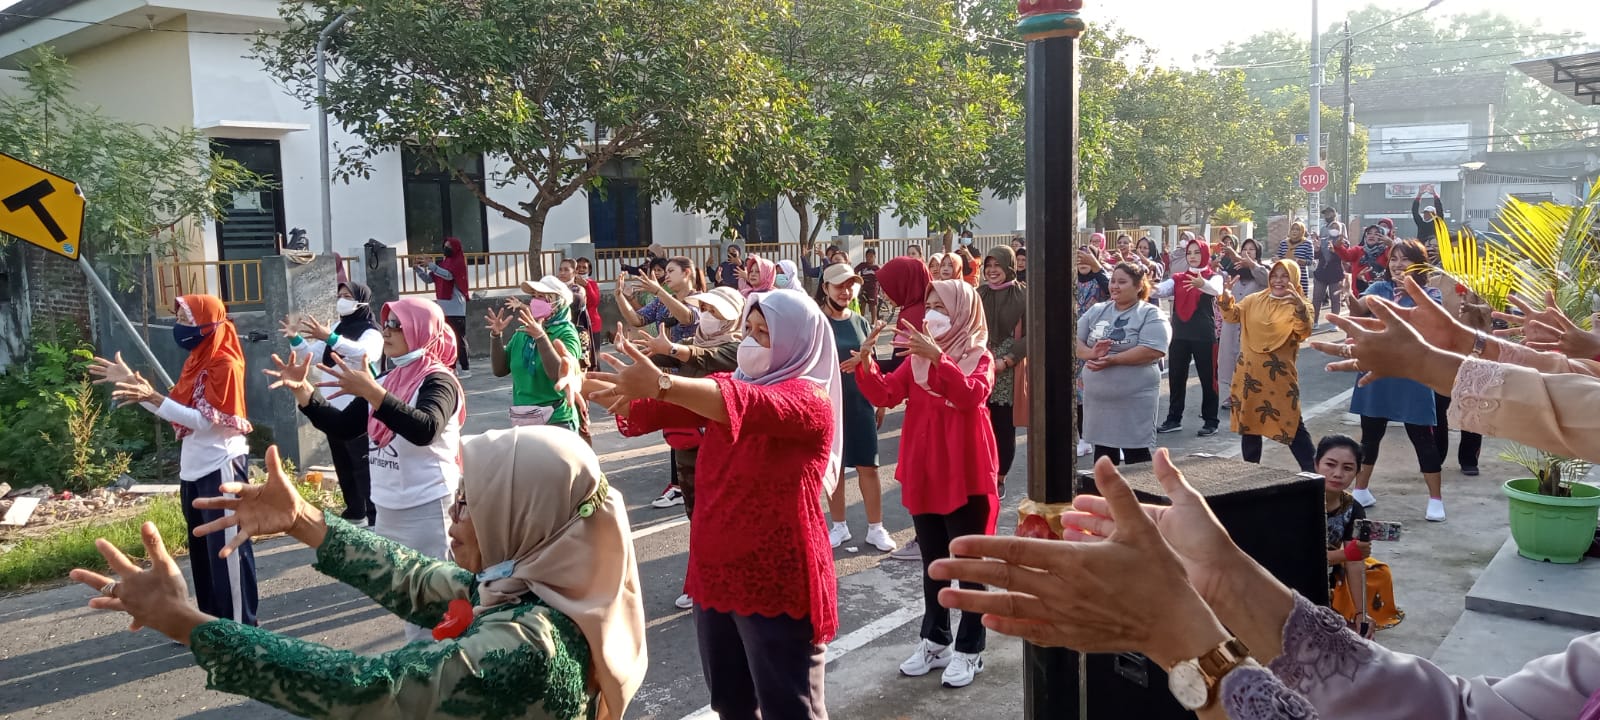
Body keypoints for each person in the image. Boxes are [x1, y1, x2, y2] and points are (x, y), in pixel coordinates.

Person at [70, 429, 647, 720]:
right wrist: (302, 520)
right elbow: (416, 579)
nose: (453, 514)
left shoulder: (530, 644)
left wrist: (187, 624)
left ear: (525, 514)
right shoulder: (533, 588)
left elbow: (369, 691)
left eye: (471, 503)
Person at [591, 290, 839, 720]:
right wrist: (586, 382)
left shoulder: (811, 402)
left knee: (790, 709)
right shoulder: (734, 383)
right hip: (715, 573)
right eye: (751, 330)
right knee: (731, 703)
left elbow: (748, 406)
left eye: (766, 334)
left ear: (798, 342)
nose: (751, 342)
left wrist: (664, 383)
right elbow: (647, 409)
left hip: (775, 578)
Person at [266, 296, 464, 642]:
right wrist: (304, 392)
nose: (387, 331)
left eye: (397, 324)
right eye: (386, 323)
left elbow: (426, 429)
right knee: (405, 597)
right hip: (389, 506)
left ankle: (444, 670)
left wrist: (376, 394)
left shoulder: (438, 381)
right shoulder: (387, 378)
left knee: (436, 597)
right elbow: (344, 426)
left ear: (422, 331)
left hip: (429, 505)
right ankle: (424, 665)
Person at [853, 279, 997, 689]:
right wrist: (866, 365)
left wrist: (940, 359)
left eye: (941, 307)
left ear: (964, 313)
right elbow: (886, 393)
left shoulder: (977, 356)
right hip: (925, 468)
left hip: (965, 470)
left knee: (968, 566)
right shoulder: (915, 360)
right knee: (933, 563)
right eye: (928, 305)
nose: (930, 314)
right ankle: (936, 641)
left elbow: (971, 396)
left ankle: (972, 649)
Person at [90, 295, 258, 626]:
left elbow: (204, 421)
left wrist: (151, 395)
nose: (179, 326)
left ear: (208, 323)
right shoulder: (197, 360)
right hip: (194, 469)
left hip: (222, 466)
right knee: (203, 555)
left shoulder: (224, 362)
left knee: (228, 552)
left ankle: (243, 629)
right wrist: (133, 386)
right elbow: (174, 414)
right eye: (178, 318)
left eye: (186, 318)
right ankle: (211, 625)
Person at [634, 286, 747, 609]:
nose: (708, 317)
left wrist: (672, 350)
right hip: (688, 445)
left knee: (725, 516)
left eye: (716, 312)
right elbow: (660, 355)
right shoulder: (689, 342)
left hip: (724, 446)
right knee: (696, 516)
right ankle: (700, 581)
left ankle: (729, 579)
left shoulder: (738, 348)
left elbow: (707, 357)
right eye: (706, 310)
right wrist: (636, 353)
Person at [1340, 240, 1446, 521]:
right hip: (1377, 369)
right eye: (1394, 259)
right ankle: (1361, 490)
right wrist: (1350, 298)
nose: (1398, 264)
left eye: (1405, 259)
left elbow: (1431, 323)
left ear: (1419, 264)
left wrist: (1409, 296)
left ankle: (1436, 499)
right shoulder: (1379, 288)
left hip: (1413, 372)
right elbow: (1360, 308)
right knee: (1370, 436)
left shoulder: (1431, 294)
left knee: (1422, 437)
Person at [278, 282, 385, 525]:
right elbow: (313, 355)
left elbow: (363, 353)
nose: (341, 300)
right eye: (339, 296)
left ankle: (374, 516)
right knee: (343, 462)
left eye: (347, 296)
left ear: (362, 301)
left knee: (363, 465)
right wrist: (294, 338)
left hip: (360, 406)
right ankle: (355, 511)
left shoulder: (373, 332)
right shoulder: (338, 326)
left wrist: (332, 338)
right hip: (334, 407)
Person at [817, 264, 895, 553]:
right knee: (834, 468)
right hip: (828, 404)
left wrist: (878, 397)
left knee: (868, 466)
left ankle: (876, 528)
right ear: (825, 288)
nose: (845, 290)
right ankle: (839, 526)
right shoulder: (816, 322)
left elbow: (872, 361)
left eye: (850, 285)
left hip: (861, 401)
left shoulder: (861, 321)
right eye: (839, 285)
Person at [1217, 260, 1317, 470]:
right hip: (1249, 375)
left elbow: (1303, 331)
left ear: (1294, 279)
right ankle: (1250, 475)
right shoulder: (1254, 300)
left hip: (1278, 378)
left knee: (1292, 425)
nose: (1279, 281)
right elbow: (1232, 315)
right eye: (1275, 276)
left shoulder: (1302, 305)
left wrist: (1299, 308)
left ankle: (1314, 475)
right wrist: (1225, 299)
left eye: (1284, 276)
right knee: (1249, 426)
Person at [1076, 262, 1170, 465]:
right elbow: (1073, 340)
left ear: (1138, 286)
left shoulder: (1150, 314)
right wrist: (1091, 353)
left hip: (1134, 400)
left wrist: (1113, 359)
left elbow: (1153, 349)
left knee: (1136, 456)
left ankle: (1142, 496)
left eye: (1122, 282)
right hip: (1098, 402)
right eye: (1112, 281)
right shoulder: (1098, 310)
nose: (1114, 286)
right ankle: (1105, 496)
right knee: (1103, 455)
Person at [873, 257, 934, 562]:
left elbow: (903, 364)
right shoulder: (922, 307)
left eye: (888, 286)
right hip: (928, 400)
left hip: (924, 405)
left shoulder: (914, 313)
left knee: (920, 477)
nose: (884, 293)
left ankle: (925, 539)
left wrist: (866, 362)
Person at [486, 277, 585, 432]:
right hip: (523, 419)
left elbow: (559, 374)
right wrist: (496, 336)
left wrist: (541, 337)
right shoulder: (522, 333)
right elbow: (500, 370)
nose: (535, 301)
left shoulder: (566, 333)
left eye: (542, 297)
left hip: (557, 419)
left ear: (558, 302)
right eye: (534, 296)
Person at [1156, 238, 1224, 437]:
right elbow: (1160, 290)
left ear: (1204, 254)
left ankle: (1211, 421)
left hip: (1204, 335)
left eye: (1196, 252)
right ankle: (1174, 419)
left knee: (1208, 379)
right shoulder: (1177, 278)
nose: (1193, 256)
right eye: (1189, 253)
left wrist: (1202, 282)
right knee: (1176, 378)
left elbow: (1216, 290)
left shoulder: (1214, 277)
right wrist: (1142, 283)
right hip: (1179, 335)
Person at [978, 246, 1026, 500]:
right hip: (979, 367)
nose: (993, 271)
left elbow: (1033, 334)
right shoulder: (979, 294)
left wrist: (1007, 359)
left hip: (1008, 371)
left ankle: (999, 478)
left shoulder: (1024, 295)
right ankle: (981, 474)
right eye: (989, 266)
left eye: (998, 266)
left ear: (1009, 267)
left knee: (1004, 428)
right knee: (979, 425)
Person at [1315, 434, 1372, 627]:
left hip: (1324, 583)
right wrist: (1344, 554)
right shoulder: (1296, 502)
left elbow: (1355, 563)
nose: (1338, 474)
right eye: (1330, 464)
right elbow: (1292, 558)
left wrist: (1361, 614)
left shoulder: (1353, 509)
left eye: (1348, 468)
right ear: (1316, 464)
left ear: (1357, 473)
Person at [1217, 238, 1269, 410]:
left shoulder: (1263, 273)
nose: (1247, 252)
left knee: (1249, 360)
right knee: (1230, 358)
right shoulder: (1234, 275)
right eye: (1244, 249)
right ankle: (1234, 394)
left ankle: (1251, 396)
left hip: (1252, 327)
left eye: (1252, 250)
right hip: (1232, 324)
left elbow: (1268, 280)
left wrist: (1252, 264)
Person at [412, 237, 472, 378]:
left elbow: (449, 276)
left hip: (456, 307)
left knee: (459, 339)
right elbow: (429, 279)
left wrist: (432, 265)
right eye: (445, 246)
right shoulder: (443, 263)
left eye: (449, 246)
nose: (446, 249)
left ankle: (466, 368)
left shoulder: (458, 263)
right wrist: (418, 269)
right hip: (443, 307)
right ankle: (451, 367)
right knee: (446, 339)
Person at [1074, 246, 1111, 457]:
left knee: (1099, 391)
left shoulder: (1102, 279)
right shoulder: (1071, 279)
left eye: (1087, 257)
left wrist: (1098, 268)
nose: (1083, 262)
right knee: (1079, 394)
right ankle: (1084, 437)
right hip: (1076, 342)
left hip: (1097, 340)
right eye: (1079, 258)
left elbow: (1110, 290)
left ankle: (1109, 439)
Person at [1313, 209, 1347, 327]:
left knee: (1335, 298)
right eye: (1325, 214)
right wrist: (1316, 248)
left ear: (1334, 214)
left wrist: (1338, 247)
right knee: (1317, 297)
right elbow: (1318, 253)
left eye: (1329, 214)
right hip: (1322, 269)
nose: (1327, 216)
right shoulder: (1323, 229)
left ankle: (1335, 323)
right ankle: (1314, 321)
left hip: (1336, 269)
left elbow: (1346, 249)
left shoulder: (1341, 226)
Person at [1277, 222, 1315, 296]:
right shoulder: (1283, 243)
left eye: (1297, 229)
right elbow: (1279, 257)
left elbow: (1310, 261)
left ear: (1302, 231)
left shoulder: (1307, 244)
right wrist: (1277, 260)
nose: (1294, 231)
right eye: (1292, 229)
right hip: (1284, 276)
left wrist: (1300, 261)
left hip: (1301, 276)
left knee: (1300, 299)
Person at [575, 257, 603, 354]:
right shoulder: (572, 285)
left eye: (584, 267)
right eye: (578, 267)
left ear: (589, 270)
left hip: (592, 324)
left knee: (593, 355)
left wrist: (586, 286)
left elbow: (595, 302)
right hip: (577, 324)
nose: (581, 270)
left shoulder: (592, 284)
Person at [1414, 187, 1446, 259]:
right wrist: (1419, 195)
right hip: (1421, 252)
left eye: (1428, 213)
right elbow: (1414, 211)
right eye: (1425, 213)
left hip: (1434, 252)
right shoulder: (1420, 222)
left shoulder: (1438, 222)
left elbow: (1439, 209)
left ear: (1434, 214)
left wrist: (1434, 194)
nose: (1426, 215)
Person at [855, 248, 883, 324]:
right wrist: (858, 278)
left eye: (871, 256)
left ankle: (873, 322)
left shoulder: (877, 268)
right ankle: (861, 320)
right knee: (862, 304)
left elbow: (881, 278)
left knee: (872, 305)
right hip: (863, 287)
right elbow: (855, 270)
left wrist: (882, 290)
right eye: (867, 256)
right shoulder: (862, 265)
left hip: (873, 289)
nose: (869, 258)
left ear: (874, 257)